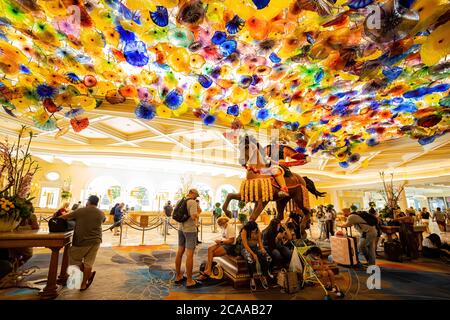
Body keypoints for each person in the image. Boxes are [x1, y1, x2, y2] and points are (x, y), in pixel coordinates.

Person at [61, 195, 105, 291]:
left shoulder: (80, 211)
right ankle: (83, 284)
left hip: (81, 241)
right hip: (96, 240)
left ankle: (88, 275)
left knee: (74, 260)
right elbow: (103, 220)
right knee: (88, 263)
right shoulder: (101, 213)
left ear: (88, 201)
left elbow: (63, 217)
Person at [175, 189, 201, 288]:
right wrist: (197, 219)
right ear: (193, 194)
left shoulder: (180, 201)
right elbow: (194, 215)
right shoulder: (192, 202)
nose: (196, 198)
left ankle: (178, 276)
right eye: (196, 196)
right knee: (190, 254)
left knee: (180, 251)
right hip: (190, 230)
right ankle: (189, 281)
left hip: (180, 228)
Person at [197, 216, 236, 281]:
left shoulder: (230, 228)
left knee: (211, 254)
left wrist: (221, 241)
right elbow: (224, 237)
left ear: (223, 223)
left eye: (220, 225)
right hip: (224, 243)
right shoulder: (224, 227)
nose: (220, 226)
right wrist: (219, 241)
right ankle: (208, 270)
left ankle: (205, 273)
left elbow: (231, 241)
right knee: (210, 249)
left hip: (230, 246)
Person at [237, 220, 272, 291]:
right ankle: (252, 278)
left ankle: (263, 275)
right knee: (250, 260)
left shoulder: (257, 230)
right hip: (245, 248)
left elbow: (259, 241)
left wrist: (262, 249)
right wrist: (253, 254)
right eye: (252, 230)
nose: (254, 231)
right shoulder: (244, 231)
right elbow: (245, 245)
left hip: (255, 247)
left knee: (267, 258)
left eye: (255, 229)